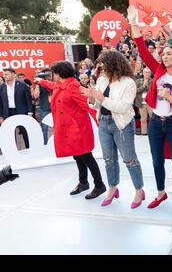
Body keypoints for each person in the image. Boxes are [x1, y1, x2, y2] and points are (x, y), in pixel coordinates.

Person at [129, 5, 172, 214]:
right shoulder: (157, 70)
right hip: (156, 122)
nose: (164, 56)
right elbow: (141, 48)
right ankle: (160, 193)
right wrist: (133, 22)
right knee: (157, 161)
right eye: (163, 54)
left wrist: (171, 98)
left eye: (168, 54)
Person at [81, 51, 145, 209]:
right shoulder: (102, 80)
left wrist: (102, 98)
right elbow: (97, 104)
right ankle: (112, 188)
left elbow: (123, 107)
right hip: (103, 122)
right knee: (108, 159)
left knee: (129, 159)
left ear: (113, 64)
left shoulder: (128, 82)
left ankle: (139, 190)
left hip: (121, 124)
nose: (100, 67)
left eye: (103, 63)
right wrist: (91, 97)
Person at [34, 62, 106, 199]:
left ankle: (99, 185)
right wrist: (41, 81)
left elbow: (89, 106)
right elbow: (53, 85)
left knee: (86, 156)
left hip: (78, 129)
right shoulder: (62, 85)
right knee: (77, 155)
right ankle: (83, 182)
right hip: (69, 129)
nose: (53, 76)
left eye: (54, 73)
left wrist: (99, 122)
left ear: (59, 74)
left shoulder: (73, 86)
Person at [0, 68, 33, 148]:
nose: (5, 76)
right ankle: (13, 151)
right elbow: (0, 103)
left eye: (7, 74)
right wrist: (1, 116)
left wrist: (30, 113)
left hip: (21, 112)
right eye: (4, 74)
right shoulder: (2, 87)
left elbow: (28, 100)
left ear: (13, 75)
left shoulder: (22, 85)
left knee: (25, 131)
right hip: (7, 113)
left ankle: (29, 148)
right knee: (10, 133)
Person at [32, 69, 53, 144]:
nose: (49, 76)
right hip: (45, 108)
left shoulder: (56, 82)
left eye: (50, 74)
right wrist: (37, 84)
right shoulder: (41, 84)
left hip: (56, 108)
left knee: (60, 127)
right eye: (47, 74)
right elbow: (35, 95)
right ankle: (45, 144)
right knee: (44, 128)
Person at [135, 67, 152, 135]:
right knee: (143, 119)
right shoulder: (138, 81)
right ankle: (144, 132)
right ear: (143, 73)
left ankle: (152, 132)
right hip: (141, 103)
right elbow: (136, 91)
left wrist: (145, 86)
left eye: (149, 72)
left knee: (152, 118)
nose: (147, 74)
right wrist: (143, 86)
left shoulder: (152, 81)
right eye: (146, 72)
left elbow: (152, 90)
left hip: (150, 103)